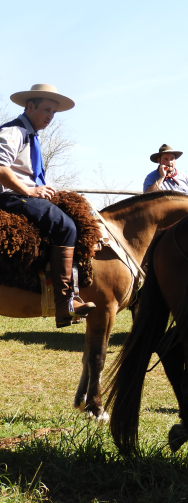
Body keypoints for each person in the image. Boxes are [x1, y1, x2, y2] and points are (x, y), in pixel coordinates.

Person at [0, 84, 95, 328]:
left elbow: (29, 174)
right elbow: (0, 168)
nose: (50, 117)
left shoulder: (31, 136)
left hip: (23, 194)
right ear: (30, 106)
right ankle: (65, 303)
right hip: (11, 197)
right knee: (65, 226)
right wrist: (30, 190)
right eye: (46, 110)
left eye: (53, 112)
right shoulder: (14, 131)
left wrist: (46, 188)